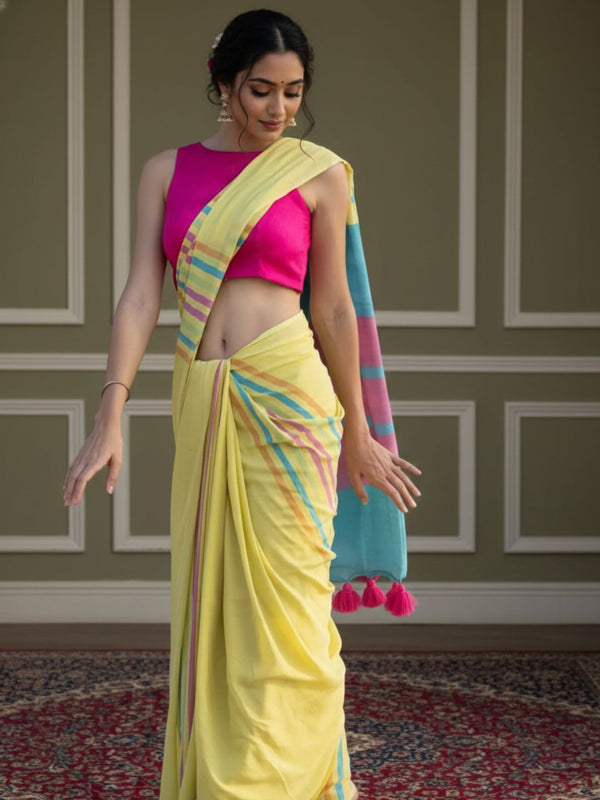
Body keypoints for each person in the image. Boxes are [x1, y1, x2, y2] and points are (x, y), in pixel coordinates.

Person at [63, 9, 421, 799]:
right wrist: (110, 411)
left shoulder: (320, 174)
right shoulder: (167, 171)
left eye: (293, 92)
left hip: (292, 402)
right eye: (262, 89)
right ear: (223, 82)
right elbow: (140, 295)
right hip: (203, 398)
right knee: (215, 608)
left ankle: (292, 783)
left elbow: (334, 310)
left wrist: (360, 433)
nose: (280, 108)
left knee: (292, 611)